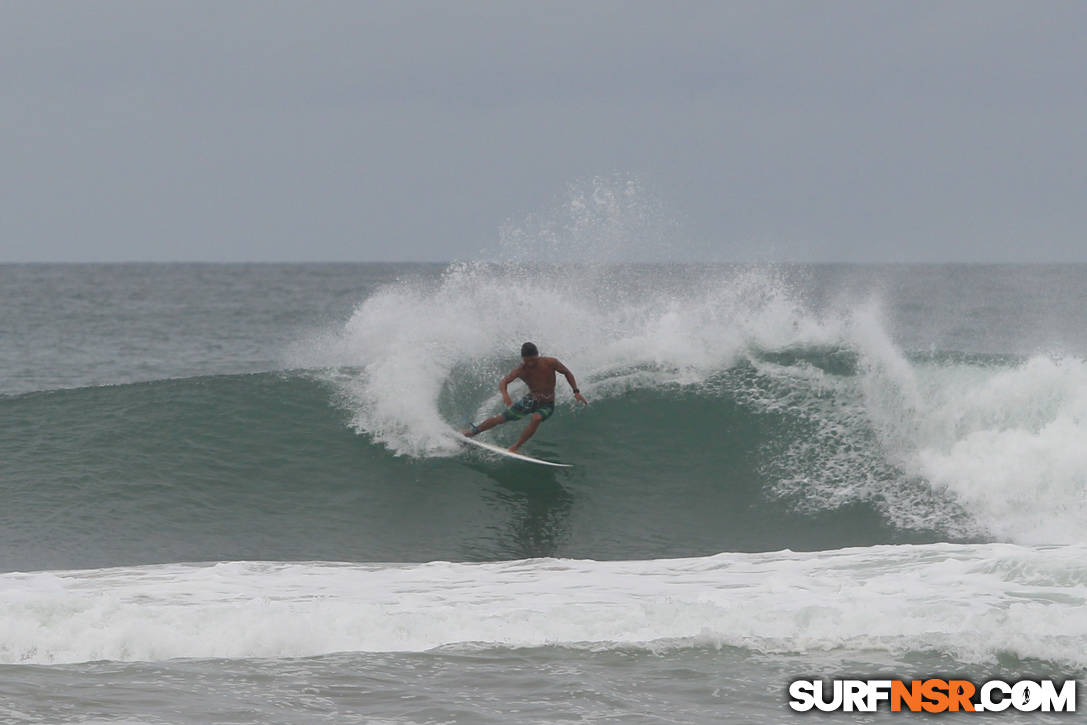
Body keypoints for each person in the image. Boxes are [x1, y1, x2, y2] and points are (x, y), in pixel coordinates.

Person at [462, 342, 588, 453]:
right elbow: (503, 382)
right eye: (527, 360)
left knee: (536, 418)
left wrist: (576, 391)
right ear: (523, 358)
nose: (530, 363)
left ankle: (515, 447)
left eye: (533, 360)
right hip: (530, 400)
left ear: (537, 355)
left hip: (547, 404)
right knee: (501, 418)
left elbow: (567, 372)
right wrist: (505, 395)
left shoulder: (550, 362)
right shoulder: (521, 370)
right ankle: (472, 432)